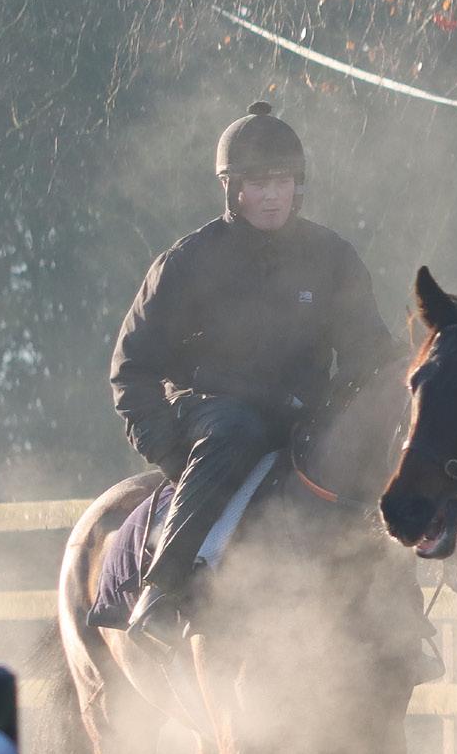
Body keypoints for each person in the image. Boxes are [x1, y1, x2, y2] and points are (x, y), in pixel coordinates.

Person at [111, 101, 400, 647]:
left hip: (304, 416)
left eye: (281, 182)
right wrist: (168, 450)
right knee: (237, 429)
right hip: (213, 415)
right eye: (257, 184)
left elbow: (369, 352)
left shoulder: (333, 257)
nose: (271, 195)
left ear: (298, 187)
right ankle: (163, 591)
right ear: (232, 189)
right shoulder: (187, 262)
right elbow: (132, 367)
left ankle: (401, 625)